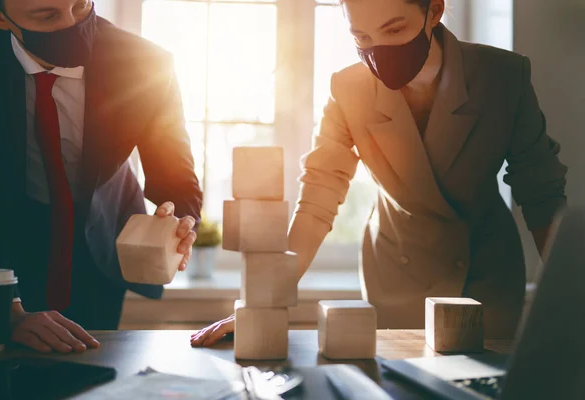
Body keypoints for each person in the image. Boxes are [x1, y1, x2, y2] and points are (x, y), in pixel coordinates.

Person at [191, 0, 568, 347]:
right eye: (362, 37)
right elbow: (319, 196)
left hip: (486, 279)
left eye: (394, 30)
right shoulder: (347, 88)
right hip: (396, 278)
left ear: (433, 11)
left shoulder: (503, 75)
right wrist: (260, 307)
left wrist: (571, 300)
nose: (379, 50)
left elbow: (541, 192)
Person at [0, 0, 202, 353]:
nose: (72, 23)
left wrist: (179, 225)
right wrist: (2, 305)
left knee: (91, 372)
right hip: (0, 243)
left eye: (81, 5)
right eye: (47, 14)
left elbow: (175, 175)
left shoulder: (145, 64)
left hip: (98, 249)